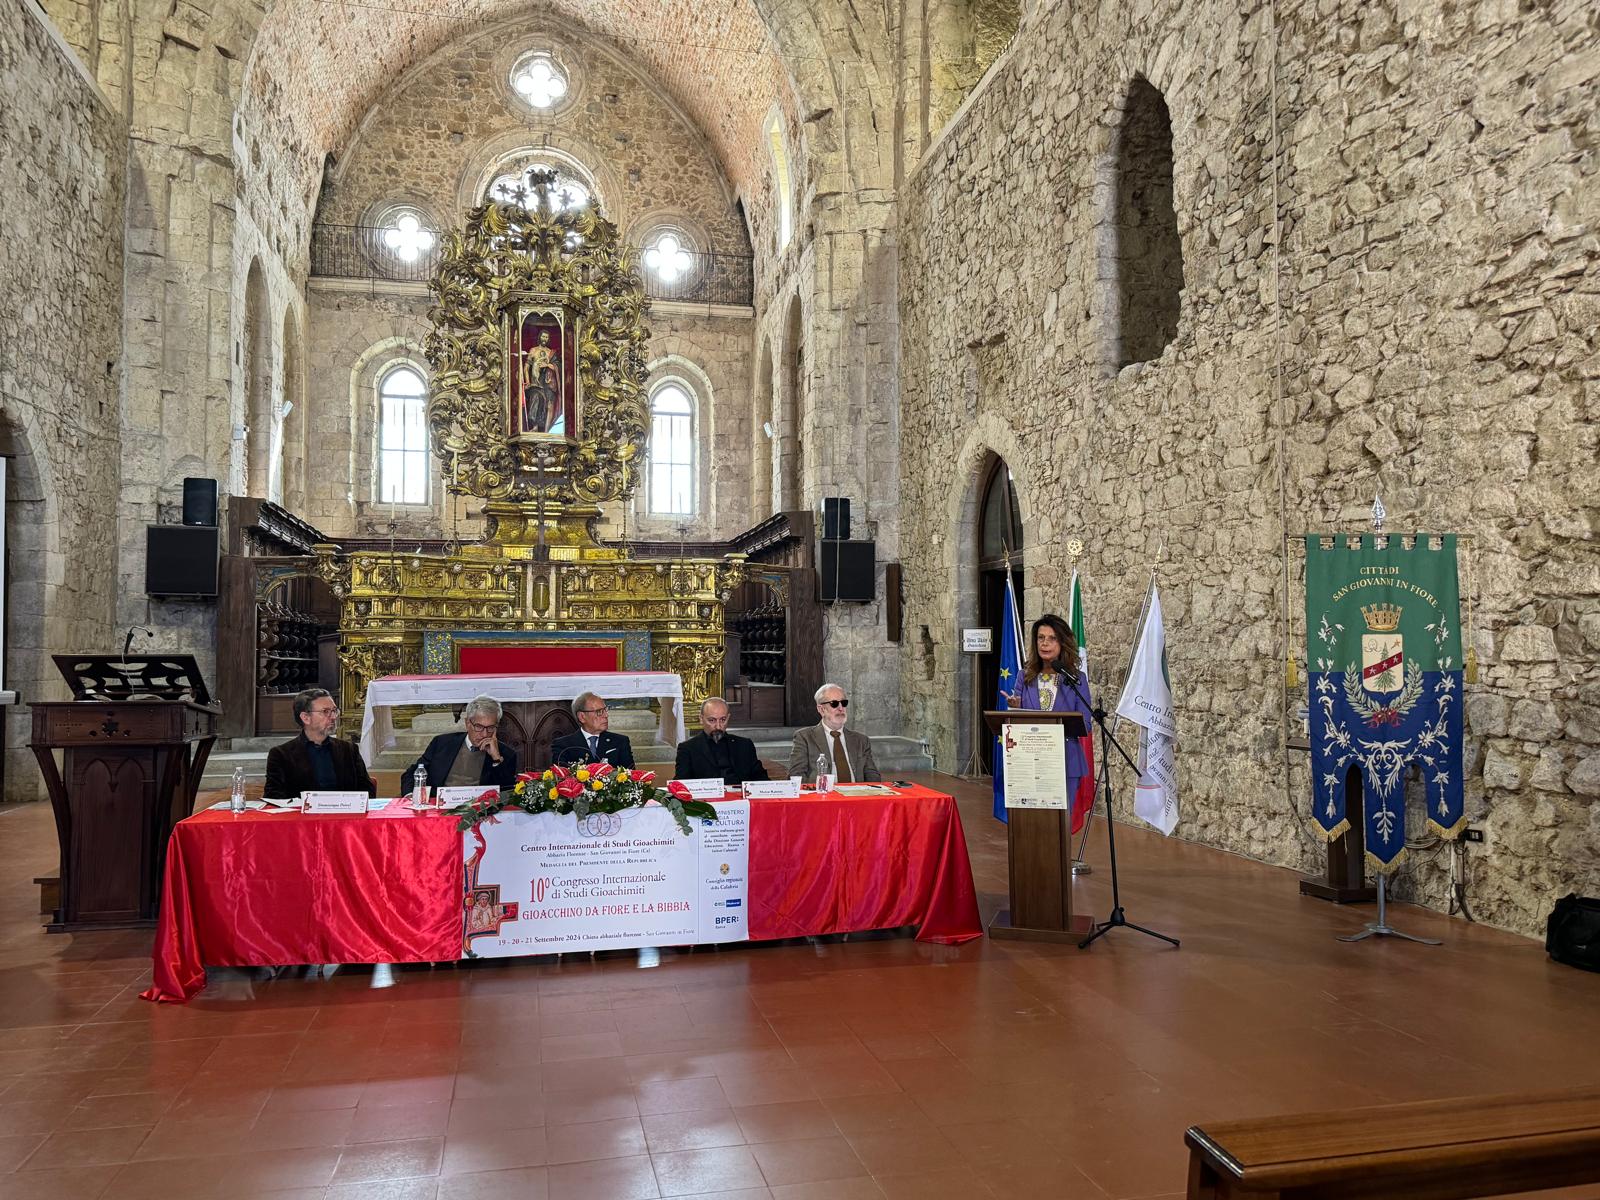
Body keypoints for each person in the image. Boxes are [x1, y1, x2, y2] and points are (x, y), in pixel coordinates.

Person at [1008, 612, 1094, 796]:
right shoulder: (1024, 677)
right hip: (1028, 762)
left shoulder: (1077, 679)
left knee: (1061, 822)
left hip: (1066, 761)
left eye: (1052, 638)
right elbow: (1014, 725)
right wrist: (1015, 708)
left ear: (1062, 643)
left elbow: (1085, 724)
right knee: (1032, 822)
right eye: (1040, 638)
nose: (1044, 643)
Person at [263, 688, 378, 799]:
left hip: (344, 815)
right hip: (302, 817)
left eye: (334, 711)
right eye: (326, 712)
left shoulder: (349, 749)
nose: (333, 717)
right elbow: (274, 797)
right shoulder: (281, 754)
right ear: (306, 718)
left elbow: (367, 790)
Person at [400, 694, 519, 796]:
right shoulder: (442, 743)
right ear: (467, 723)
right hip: (440, 810)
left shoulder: (505, 754)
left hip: (479, 813)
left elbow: (507, 793)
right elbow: (411, 774)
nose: (484, 734)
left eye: (491, 727)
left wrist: (496, 759)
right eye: (478, 726)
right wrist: (410, 796)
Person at [788, 682, 881, 784]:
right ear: (821, 709)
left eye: (844, 703)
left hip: (856, 795)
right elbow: (796, 775)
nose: (841, 708)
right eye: (834, 704)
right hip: (822, 796)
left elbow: (873, 776)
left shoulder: (861, 740)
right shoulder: (804, 737)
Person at [675, 697, 768, 787]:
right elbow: (680, 785)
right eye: (712, 720)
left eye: (723, 720)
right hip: (706, 801)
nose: (718, 726)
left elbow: (761, 779)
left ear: (728, 718)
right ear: (701, 719)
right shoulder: (688, 748)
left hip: (740, 798)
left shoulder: (745, 745)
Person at [550, 691, 636, 768]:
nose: (606, 715)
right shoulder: (563, 745)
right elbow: (561, 779)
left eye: (605, 710)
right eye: (599, 711)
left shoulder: (620, 742)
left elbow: (631, 777)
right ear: (582, 717)